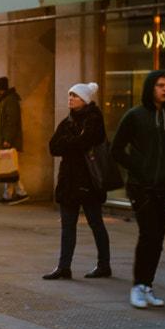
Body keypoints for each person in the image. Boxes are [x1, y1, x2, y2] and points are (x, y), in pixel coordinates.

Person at [112, 68, 165, 310]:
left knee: (157, 238)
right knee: (148, 234)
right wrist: (138, 169)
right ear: (151, 88)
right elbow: (116, 149)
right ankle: (137, 286)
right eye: (160, 85)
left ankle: (147, 285)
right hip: (140, 186)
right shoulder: (135, 116)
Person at [46, 83, 112, 280]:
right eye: (70, 95)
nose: (70, 99)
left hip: (89, 181)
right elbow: (53, 146)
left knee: (95, 223)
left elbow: (83, 142)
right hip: (68, 181)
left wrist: (70, 143)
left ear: (85, 99)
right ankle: (63, 266)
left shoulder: (93, 120)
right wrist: (74, 141)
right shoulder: (68, 121)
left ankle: (104, 264)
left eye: (75, 96)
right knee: (67, 225)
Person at [0, 77, 28, 204]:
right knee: (7, 168)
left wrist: (7, 139)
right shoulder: (7, 100)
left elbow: (12, 122)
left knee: (10, 169)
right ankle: (9, 194)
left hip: (7, 141)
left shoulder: (10, 101)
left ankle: (20, 193)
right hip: (5, 140)